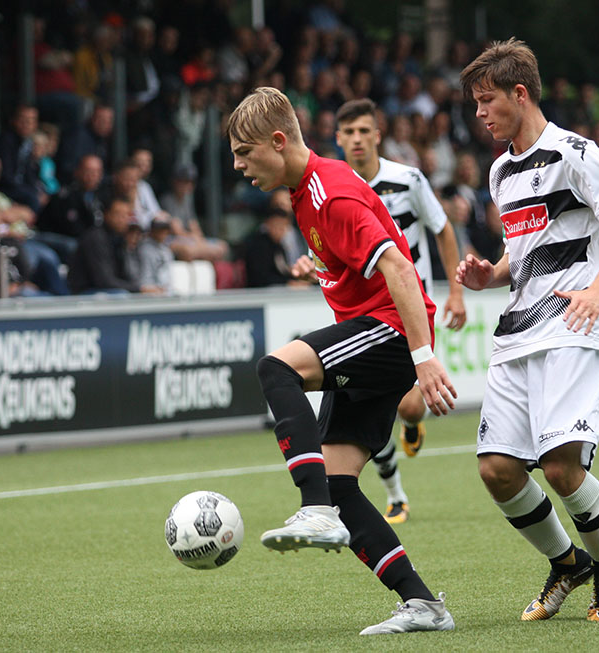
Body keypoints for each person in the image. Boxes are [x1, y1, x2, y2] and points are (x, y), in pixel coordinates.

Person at [227, 86, 456, 636]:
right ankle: (424, 606)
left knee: (275, 368)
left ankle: (315, 510)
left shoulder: (331, 194)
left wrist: (423, 358)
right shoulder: (304, 192)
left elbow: (400, 271)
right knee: (341, 481)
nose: (238, 166)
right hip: (379, 332)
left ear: (278, 141)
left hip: (392, 331)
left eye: (244, 152)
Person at [456, 38, 599, 623]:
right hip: (518, 331)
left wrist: (597, 291)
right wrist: (492, 274)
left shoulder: (576, 153)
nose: (480, 113)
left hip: (573, 324)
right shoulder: (500, 171)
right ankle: (567, 562)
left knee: (561, 466)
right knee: (497, 469)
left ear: (520, 93)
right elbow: (527, 249)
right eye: (475, 104)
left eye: (487, 101)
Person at [335, 97, 467, 525]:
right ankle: (395, 495)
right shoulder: (332, 187)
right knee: (370, 406)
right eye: (348, 132)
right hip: (361, 313)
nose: (357, 139)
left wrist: (456, 292)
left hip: (411, 310)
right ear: (338, 139)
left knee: (409, 408)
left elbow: (443, 229)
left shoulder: (407, 179)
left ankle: (413, 425)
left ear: (377, 135)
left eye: (363, 131)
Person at [66, 197, 162, 295]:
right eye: (118, 214)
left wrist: (144, 287)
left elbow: (127, 275)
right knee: (121, 295)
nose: (123, 220)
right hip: (84, 291)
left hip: (106, 289)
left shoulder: (120, 239)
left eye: (126, 215)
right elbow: (104, 281)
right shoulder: (95, 238)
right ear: (106, 215)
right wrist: (139, 289)